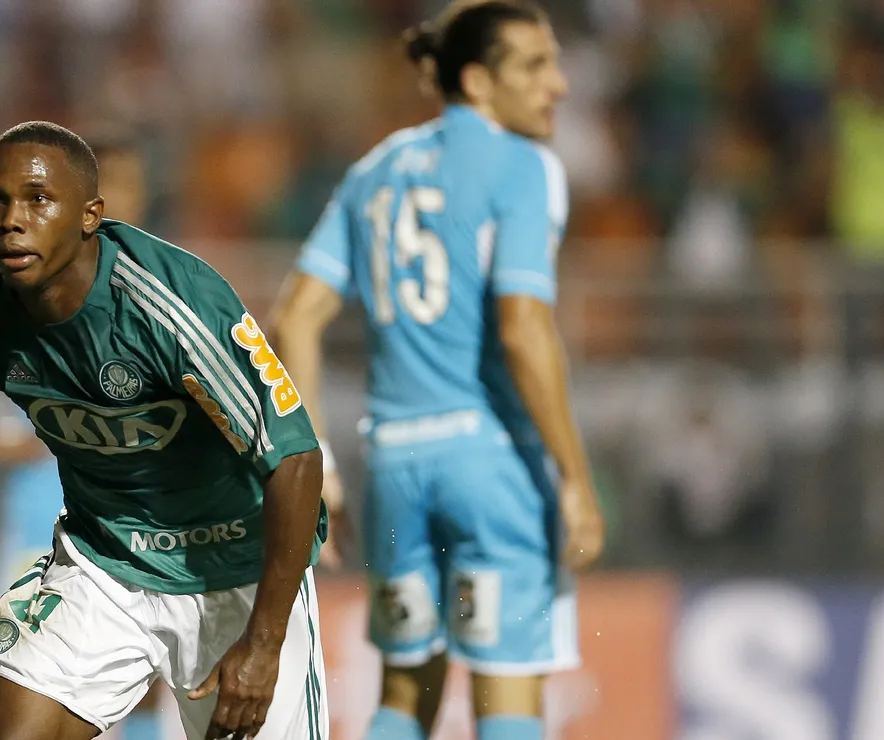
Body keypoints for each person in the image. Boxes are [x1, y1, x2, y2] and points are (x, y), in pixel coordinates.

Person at [0, 121, 329, 740]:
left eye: (37, 199)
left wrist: (264, 643)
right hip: (107, 562)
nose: (10, 219)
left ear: (90, 215)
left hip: (234, 566)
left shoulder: (173, 303)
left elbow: (295, 459)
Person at [267, 3, 605, 739]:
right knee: (508, 701)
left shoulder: (374, 171)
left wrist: (319, 465)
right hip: (492, 462)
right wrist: (575, 476)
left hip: (393, 464)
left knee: (404, 699)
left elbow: (294, 315)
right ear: (479, 81)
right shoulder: (523, 166)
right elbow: (523, 327)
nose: (560, 84)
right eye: (536, 65)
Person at [0, 133, 168, 740]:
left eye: (134, 187)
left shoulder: (154, 283)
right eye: (116, 185)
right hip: (44, 509)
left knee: (145, 686)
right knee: (39, 683)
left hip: (144, 516)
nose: (128, 199)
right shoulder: (16, 279)